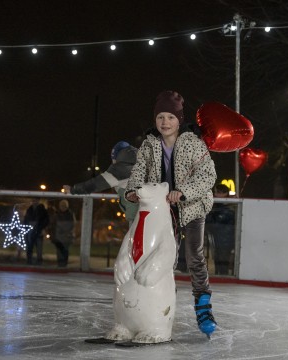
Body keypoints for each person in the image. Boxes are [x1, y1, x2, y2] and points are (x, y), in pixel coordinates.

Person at [124, 90, 217, 337]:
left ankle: (203, 307)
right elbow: (139, 170)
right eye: (160, 117)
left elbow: (208, 175)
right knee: (165, 259)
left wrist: (183, 191)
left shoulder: (193, 143)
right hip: (164, 211)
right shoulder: (149, 144)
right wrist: (133, 190)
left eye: (170, 117)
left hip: (193, 206)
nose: (165, 122)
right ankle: (162, 306)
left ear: (179, 120)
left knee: (194, 256)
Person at [63, 141, 138, 225]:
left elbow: (94, 184)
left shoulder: (118, 171)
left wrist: (73, 190)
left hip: (136, 215)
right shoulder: (145, 163)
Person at [205, 183, 235, 275]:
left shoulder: (227, 210)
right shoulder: (217, 207)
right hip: (218, 239)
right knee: (217, 260)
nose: (215, 195)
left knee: (222, 262)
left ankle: (223, 276)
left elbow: (214, 224)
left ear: (224, 193)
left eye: (217, 192)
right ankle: (219, 274)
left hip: (224, 241)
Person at [23, 199, 49, 265]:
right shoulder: (29, 210)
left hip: (38, 231)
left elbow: (46, 220)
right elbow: (26, 219)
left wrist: (40, 227)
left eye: (36, 200)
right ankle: (29, 260)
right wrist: (26, 227)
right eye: (33, 200)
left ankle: (39, 260)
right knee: (30, 246)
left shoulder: (42, 210)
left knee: (39, 247)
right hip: (30, 231)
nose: (34, 202)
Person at [51, 199, 76, 267]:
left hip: (66, 236)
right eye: (61, 206)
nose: (63, 207)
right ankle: (60, 263)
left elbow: (73, 224)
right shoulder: (56, 214)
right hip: (58, 236)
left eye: (64, 206)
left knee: (65, 250)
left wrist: (68, 232)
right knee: (59, 250)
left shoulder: (70, 214)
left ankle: (64, 263)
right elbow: (53, 225)